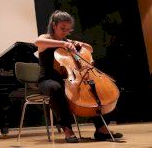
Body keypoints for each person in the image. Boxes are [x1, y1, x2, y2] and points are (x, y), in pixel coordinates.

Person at [34, 10, 123, 143]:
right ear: (54, 25)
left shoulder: (68, 41)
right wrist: (62, 43)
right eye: (62, 28)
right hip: (48, 79)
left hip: (69, 78)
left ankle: (101, 129)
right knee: (56, 88)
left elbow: (90, 49)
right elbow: (37, 42)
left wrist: (78, 44)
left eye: (68, 29)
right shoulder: (46, 39)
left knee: (91, 89)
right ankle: (67, 129)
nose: (65, 32)